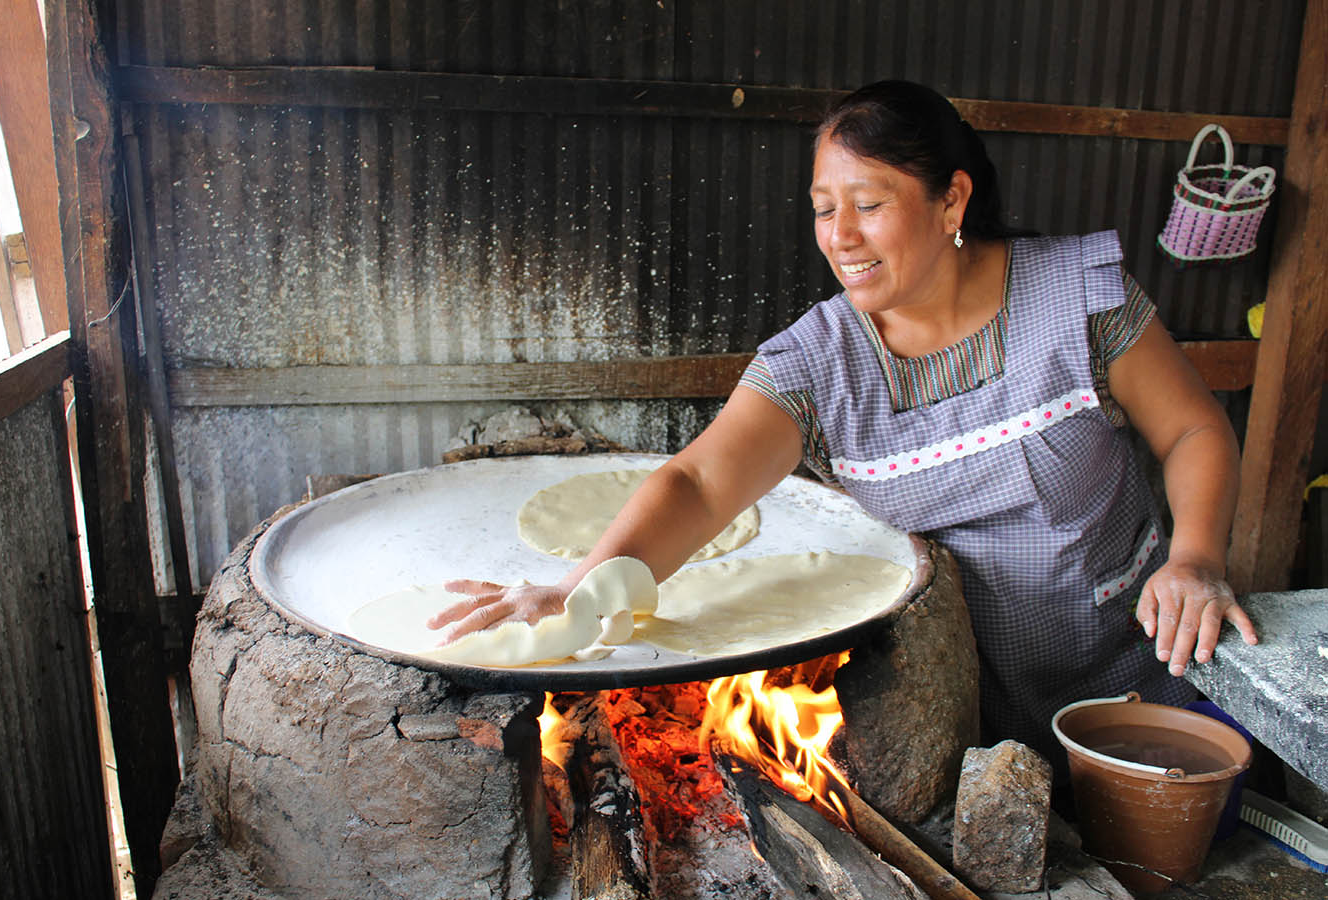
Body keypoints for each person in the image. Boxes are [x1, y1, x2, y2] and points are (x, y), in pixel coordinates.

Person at [430, 80, 1258, 757]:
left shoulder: (1076, 299)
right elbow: (699, 480)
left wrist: (1195, 559)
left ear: (951, 200)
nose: (841, 236)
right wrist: (580, 588)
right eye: (826, 208)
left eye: (868, 203)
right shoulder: (817, 362)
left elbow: (1191, 429)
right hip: (965, 712)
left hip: (1143, 667)